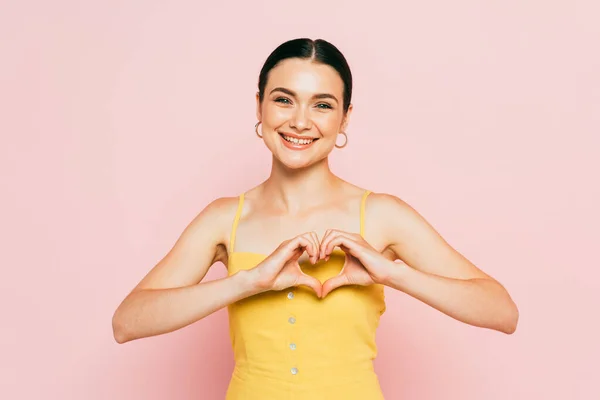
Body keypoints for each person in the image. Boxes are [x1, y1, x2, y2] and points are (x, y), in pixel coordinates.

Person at [112, 38, 519, 399]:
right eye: (284, 99)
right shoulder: (224, 218)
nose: (300, 121)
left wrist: (391, 274)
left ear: (344, 118)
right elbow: (127, 322)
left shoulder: (381, 215)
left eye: (322, 105)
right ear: (259, 105)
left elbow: (501, 312)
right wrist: (248, 282)